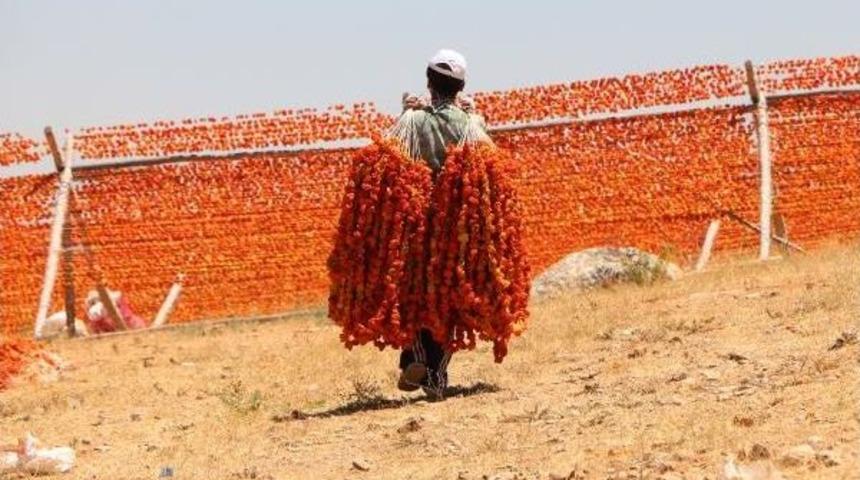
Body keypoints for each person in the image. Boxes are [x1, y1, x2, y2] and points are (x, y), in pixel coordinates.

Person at [396, 48, 487, 399]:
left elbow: (397, 157)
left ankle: (416, 359)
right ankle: (434, 373)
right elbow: (484, 167)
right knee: (451, 298)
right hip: (458, 224)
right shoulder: (470, 125)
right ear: (460, 87)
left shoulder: (415, 121)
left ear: (428, 82)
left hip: (419, 220)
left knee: (417, 292)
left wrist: (406, 112)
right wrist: (475, 115)